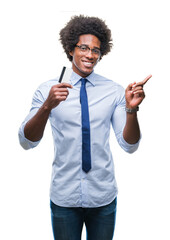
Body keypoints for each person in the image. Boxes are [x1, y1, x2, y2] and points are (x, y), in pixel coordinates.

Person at [18, 15, 151, 240]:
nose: (90, 55)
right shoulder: (48, 90)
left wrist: (131, 109)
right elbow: (26, 141)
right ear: (71, 49)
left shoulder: (114, 91)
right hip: (64, 197)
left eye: (96, 51)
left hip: (103, 196)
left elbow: (129, 145)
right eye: (84, 48)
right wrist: (47, 106)